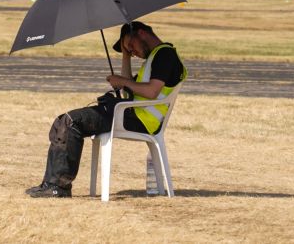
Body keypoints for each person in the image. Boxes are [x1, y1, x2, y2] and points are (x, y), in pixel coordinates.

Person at [25, 21, 187, 198]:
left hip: (138, 119)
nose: (134, 53)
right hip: (132, 115)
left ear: (141, 33)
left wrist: (123, 82)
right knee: (63, 120)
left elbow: (151, 91)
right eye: (130, 51)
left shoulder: (165, 55)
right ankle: (51, 184)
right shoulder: (156, 57)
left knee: (70, 121)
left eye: (131, 47)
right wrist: (125, 56)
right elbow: (129, 88)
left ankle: (58, 187)